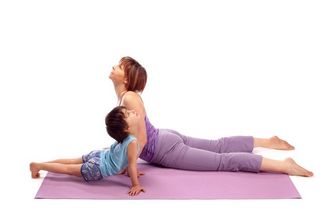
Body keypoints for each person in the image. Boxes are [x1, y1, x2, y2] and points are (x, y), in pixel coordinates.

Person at [108, 56, 313, 177]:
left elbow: (141, 138)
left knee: (221, 161)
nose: (113, 66)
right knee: (218, 145)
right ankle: (267, 141)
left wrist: (128, 165)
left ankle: (284, 165)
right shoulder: (126, 96)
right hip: (165, 138)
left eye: (118, 66)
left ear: (125, 78)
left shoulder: (130, 99)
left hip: (165, 149)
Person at [30, 106, 145, 196]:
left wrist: (129, 171)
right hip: (98, 168)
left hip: (100, 154)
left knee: (71, 161)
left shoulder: (124, 137)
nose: (133, 111)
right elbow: (131, 165)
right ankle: (39, 166)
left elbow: (121, 156)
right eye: (128, 113)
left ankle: (41, 164)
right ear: (126, 128)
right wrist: (135, 185)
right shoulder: (133, 142)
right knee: (68, 169)